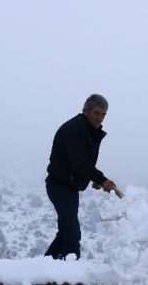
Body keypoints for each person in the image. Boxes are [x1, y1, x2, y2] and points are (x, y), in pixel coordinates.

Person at [44, 94, 116, 260]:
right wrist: (101, 179)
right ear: (86, 111)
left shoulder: (88, 130)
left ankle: (44, 267)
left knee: (65, 232)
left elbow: (79, 162)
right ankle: (69, 275)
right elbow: (79, 162)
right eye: (97, 113)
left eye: (104, 114)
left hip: (69, 186)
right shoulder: (75, 129)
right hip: (60, 186)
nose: (100, 118)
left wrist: (94, 179)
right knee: (72, 232)